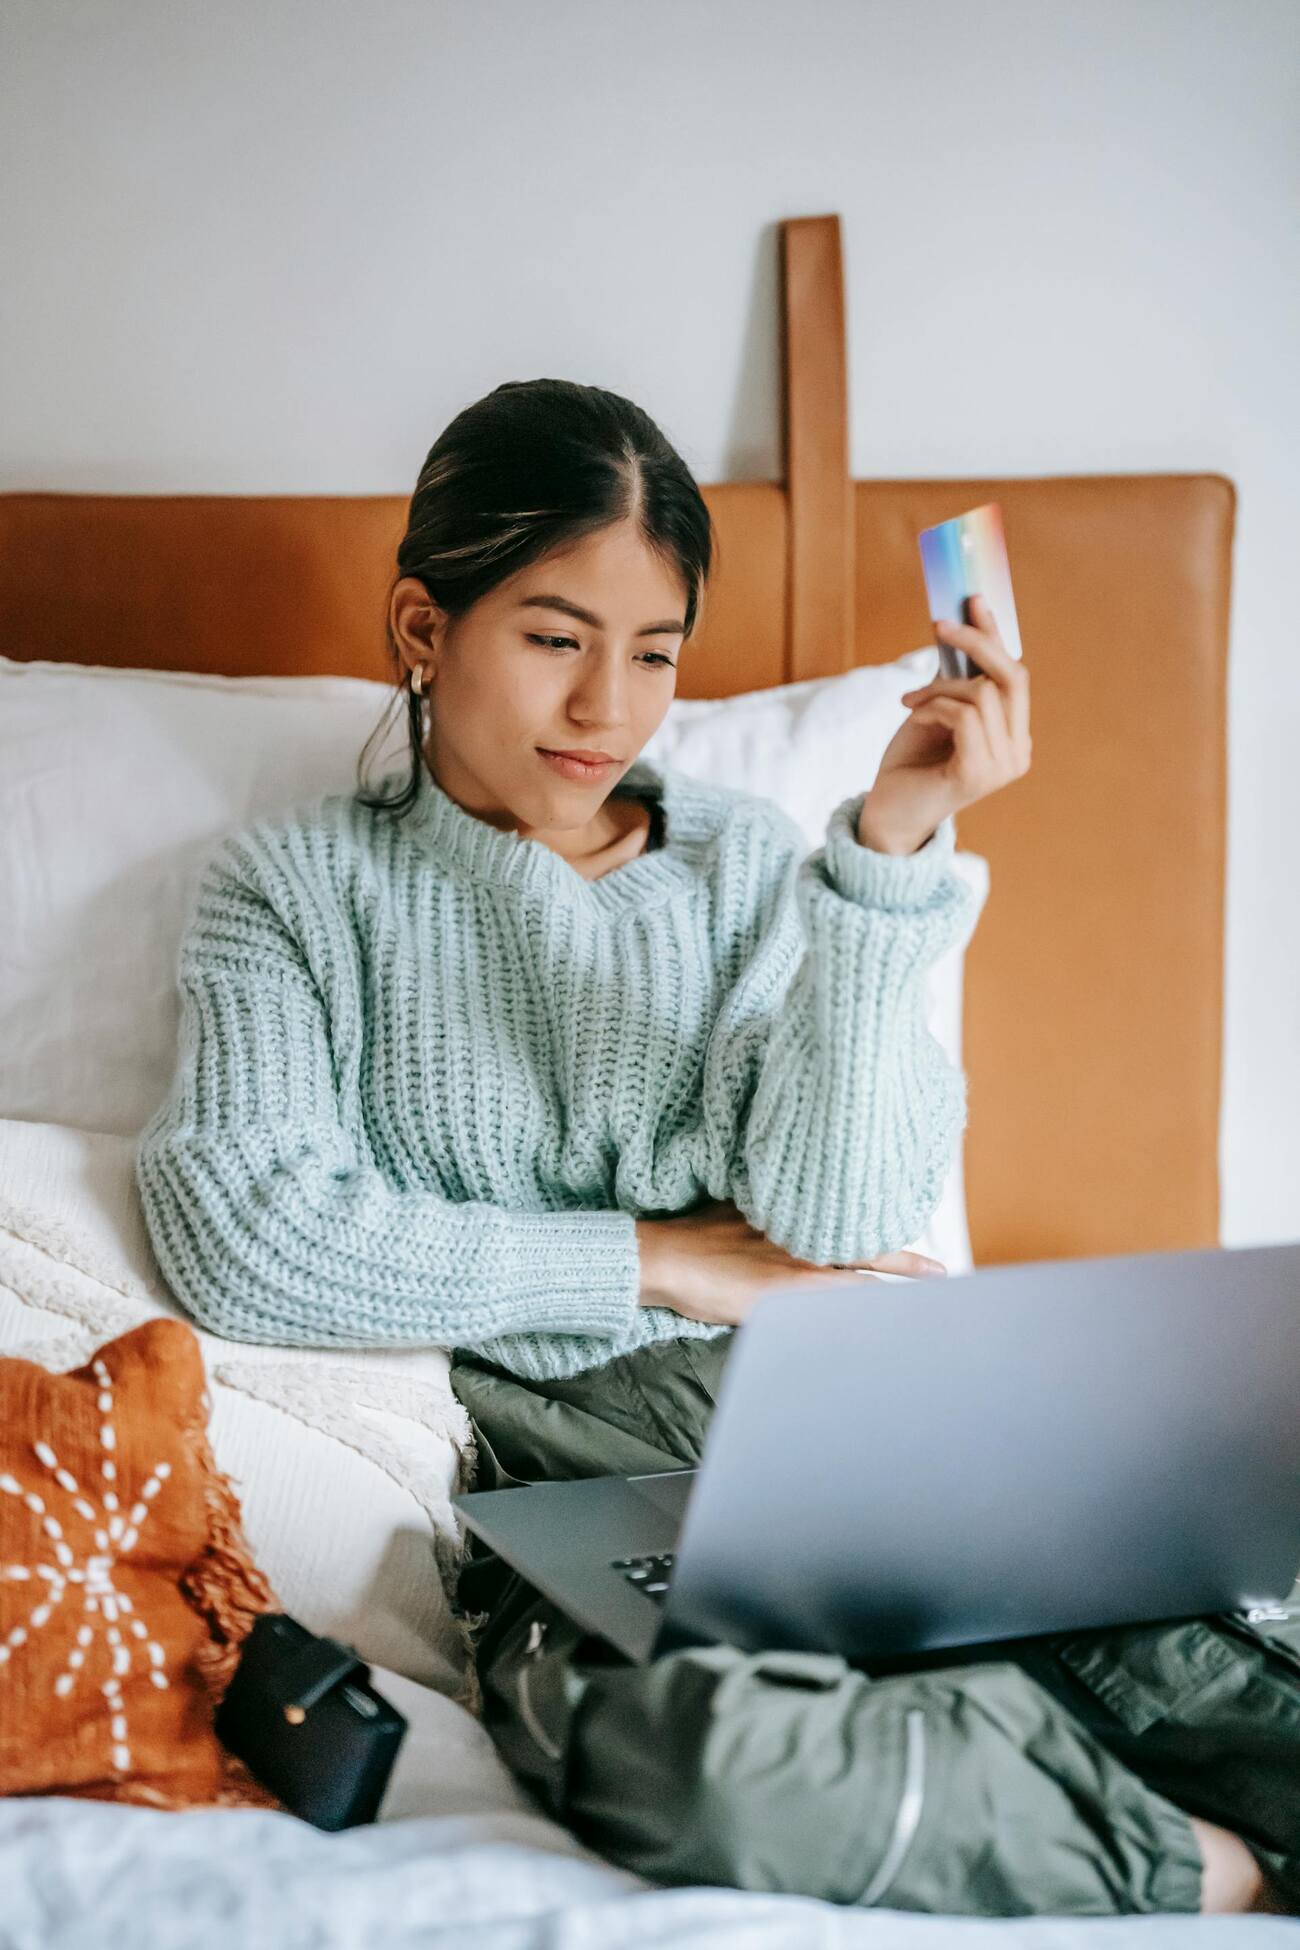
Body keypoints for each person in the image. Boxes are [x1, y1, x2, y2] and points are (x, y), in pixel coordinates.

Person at [135, 378, 1298, 1917]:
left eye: (656, 652)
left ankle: (1085, 1780)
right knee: (683, 1766)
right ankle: (1183, 1862)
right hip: (550, 1468)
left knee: (1199, 1669)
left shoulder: (752, 866)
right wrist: (662, 1259)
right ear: (425, 626)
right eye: (555, 637)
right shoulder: (293, 888)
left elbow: (841, 1204)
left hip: (839, 1411)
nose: (607, 707)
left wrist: (885, 860)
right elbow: (246, 1225)